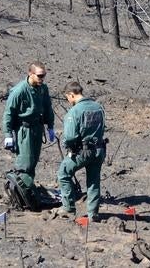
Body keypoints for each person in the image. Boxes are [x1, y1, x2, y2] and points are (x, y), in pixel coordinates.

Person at [2, 61, 55, 208]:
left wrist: (50, 126)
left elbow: (48, 107)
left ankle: (27, 193)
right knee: (24, 164)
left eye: (44, 75)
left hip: (37, 129)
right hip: (24, 130)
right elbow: (8, 113)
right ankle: (20, 196)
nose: (42, 78)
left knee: (33, 162)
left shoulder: (43, 89)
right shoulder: (19, 91)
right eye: (39, 75)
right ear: (30, 73)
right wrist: (8, 134)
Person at [57, 81, 106, 221]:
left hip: (82, 152)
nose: (68, 101)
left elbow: (70, 136)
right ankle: (93, 214)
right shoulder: (98, 107)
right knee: (93, 181)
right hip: (99, 150)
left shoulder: (74, 111)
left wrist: (68, 145)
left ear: (71, 95)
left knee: (63, 173)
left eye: (68, 97)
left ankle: (68, 208)